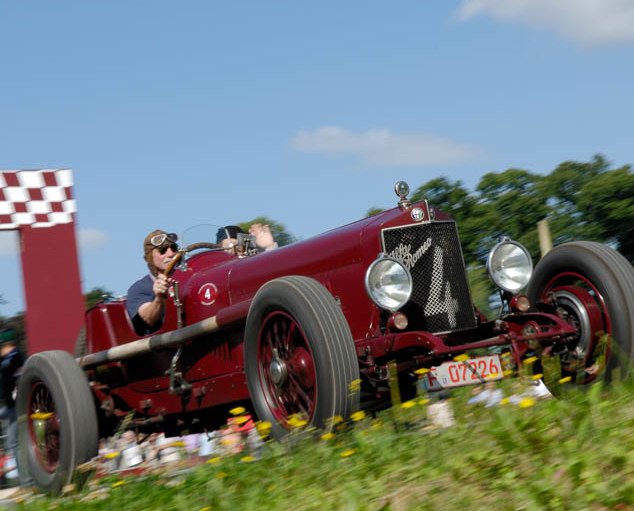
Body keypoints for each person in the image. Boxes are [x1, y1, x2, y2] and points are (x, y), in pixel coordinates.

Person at [126, 230, 179, 336]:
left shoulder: (189, 276)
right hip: (167, 347)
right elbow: (147, 319)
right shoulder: (139, 289)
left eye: (173, 248)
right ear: (149, 258)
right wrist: (159, 298)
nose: (171, 254)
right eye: (162, 250)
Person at [0, 328, 24, 465]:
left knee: (14, 443)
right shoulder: (7, 358)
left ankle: (27, 483)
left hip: (16, 406)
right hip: (10, 407)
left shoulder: (15, 357)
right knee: (13, 443)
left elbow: (19, 375)